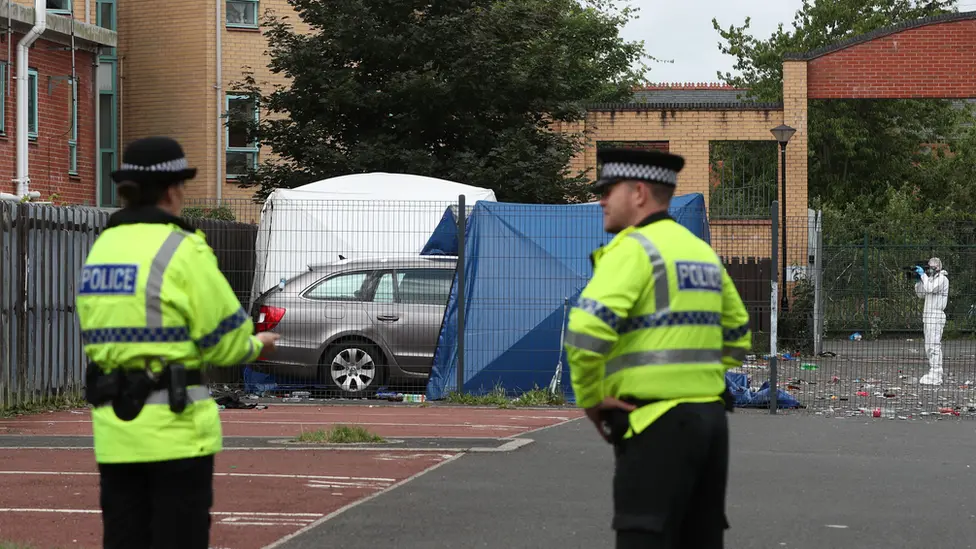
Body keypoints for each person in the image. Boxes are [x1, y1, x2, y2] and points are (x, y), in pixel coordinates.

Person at [75, 136, 280, 549]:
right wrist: (259, 344)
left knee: (124, 538)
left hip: (116, 427)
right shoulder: (182, 248)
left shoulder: (102, 249)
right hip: (176, 429)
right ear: (171, 189)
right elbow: (225, 343)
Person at [564, 148, 752, 549]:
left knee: (644, 537)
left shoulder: (633, 249)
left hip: (653, 423)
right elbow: (738, 335)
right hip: (711, 423)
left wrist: (593, 399)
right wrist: (694, 375)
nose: (600, 199)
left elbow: (584, 331)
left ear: (638, 192)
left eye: (606, 189)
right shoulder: (700, 251)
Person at [914, 257, 949, 385]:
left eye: (932, 267)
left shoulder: (942, 279)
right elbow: (921, 293)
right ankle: (933, 370)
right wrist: (919, 281)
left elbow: (930, 288)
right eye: (929, 267)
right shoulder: (930, 279)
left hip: (936, 315)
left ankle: (937, 373)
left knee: (934, 345)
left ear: (938, 267)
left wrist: (923, 275)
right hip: (928, 315)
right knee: (929, 346)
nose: (930, 269)